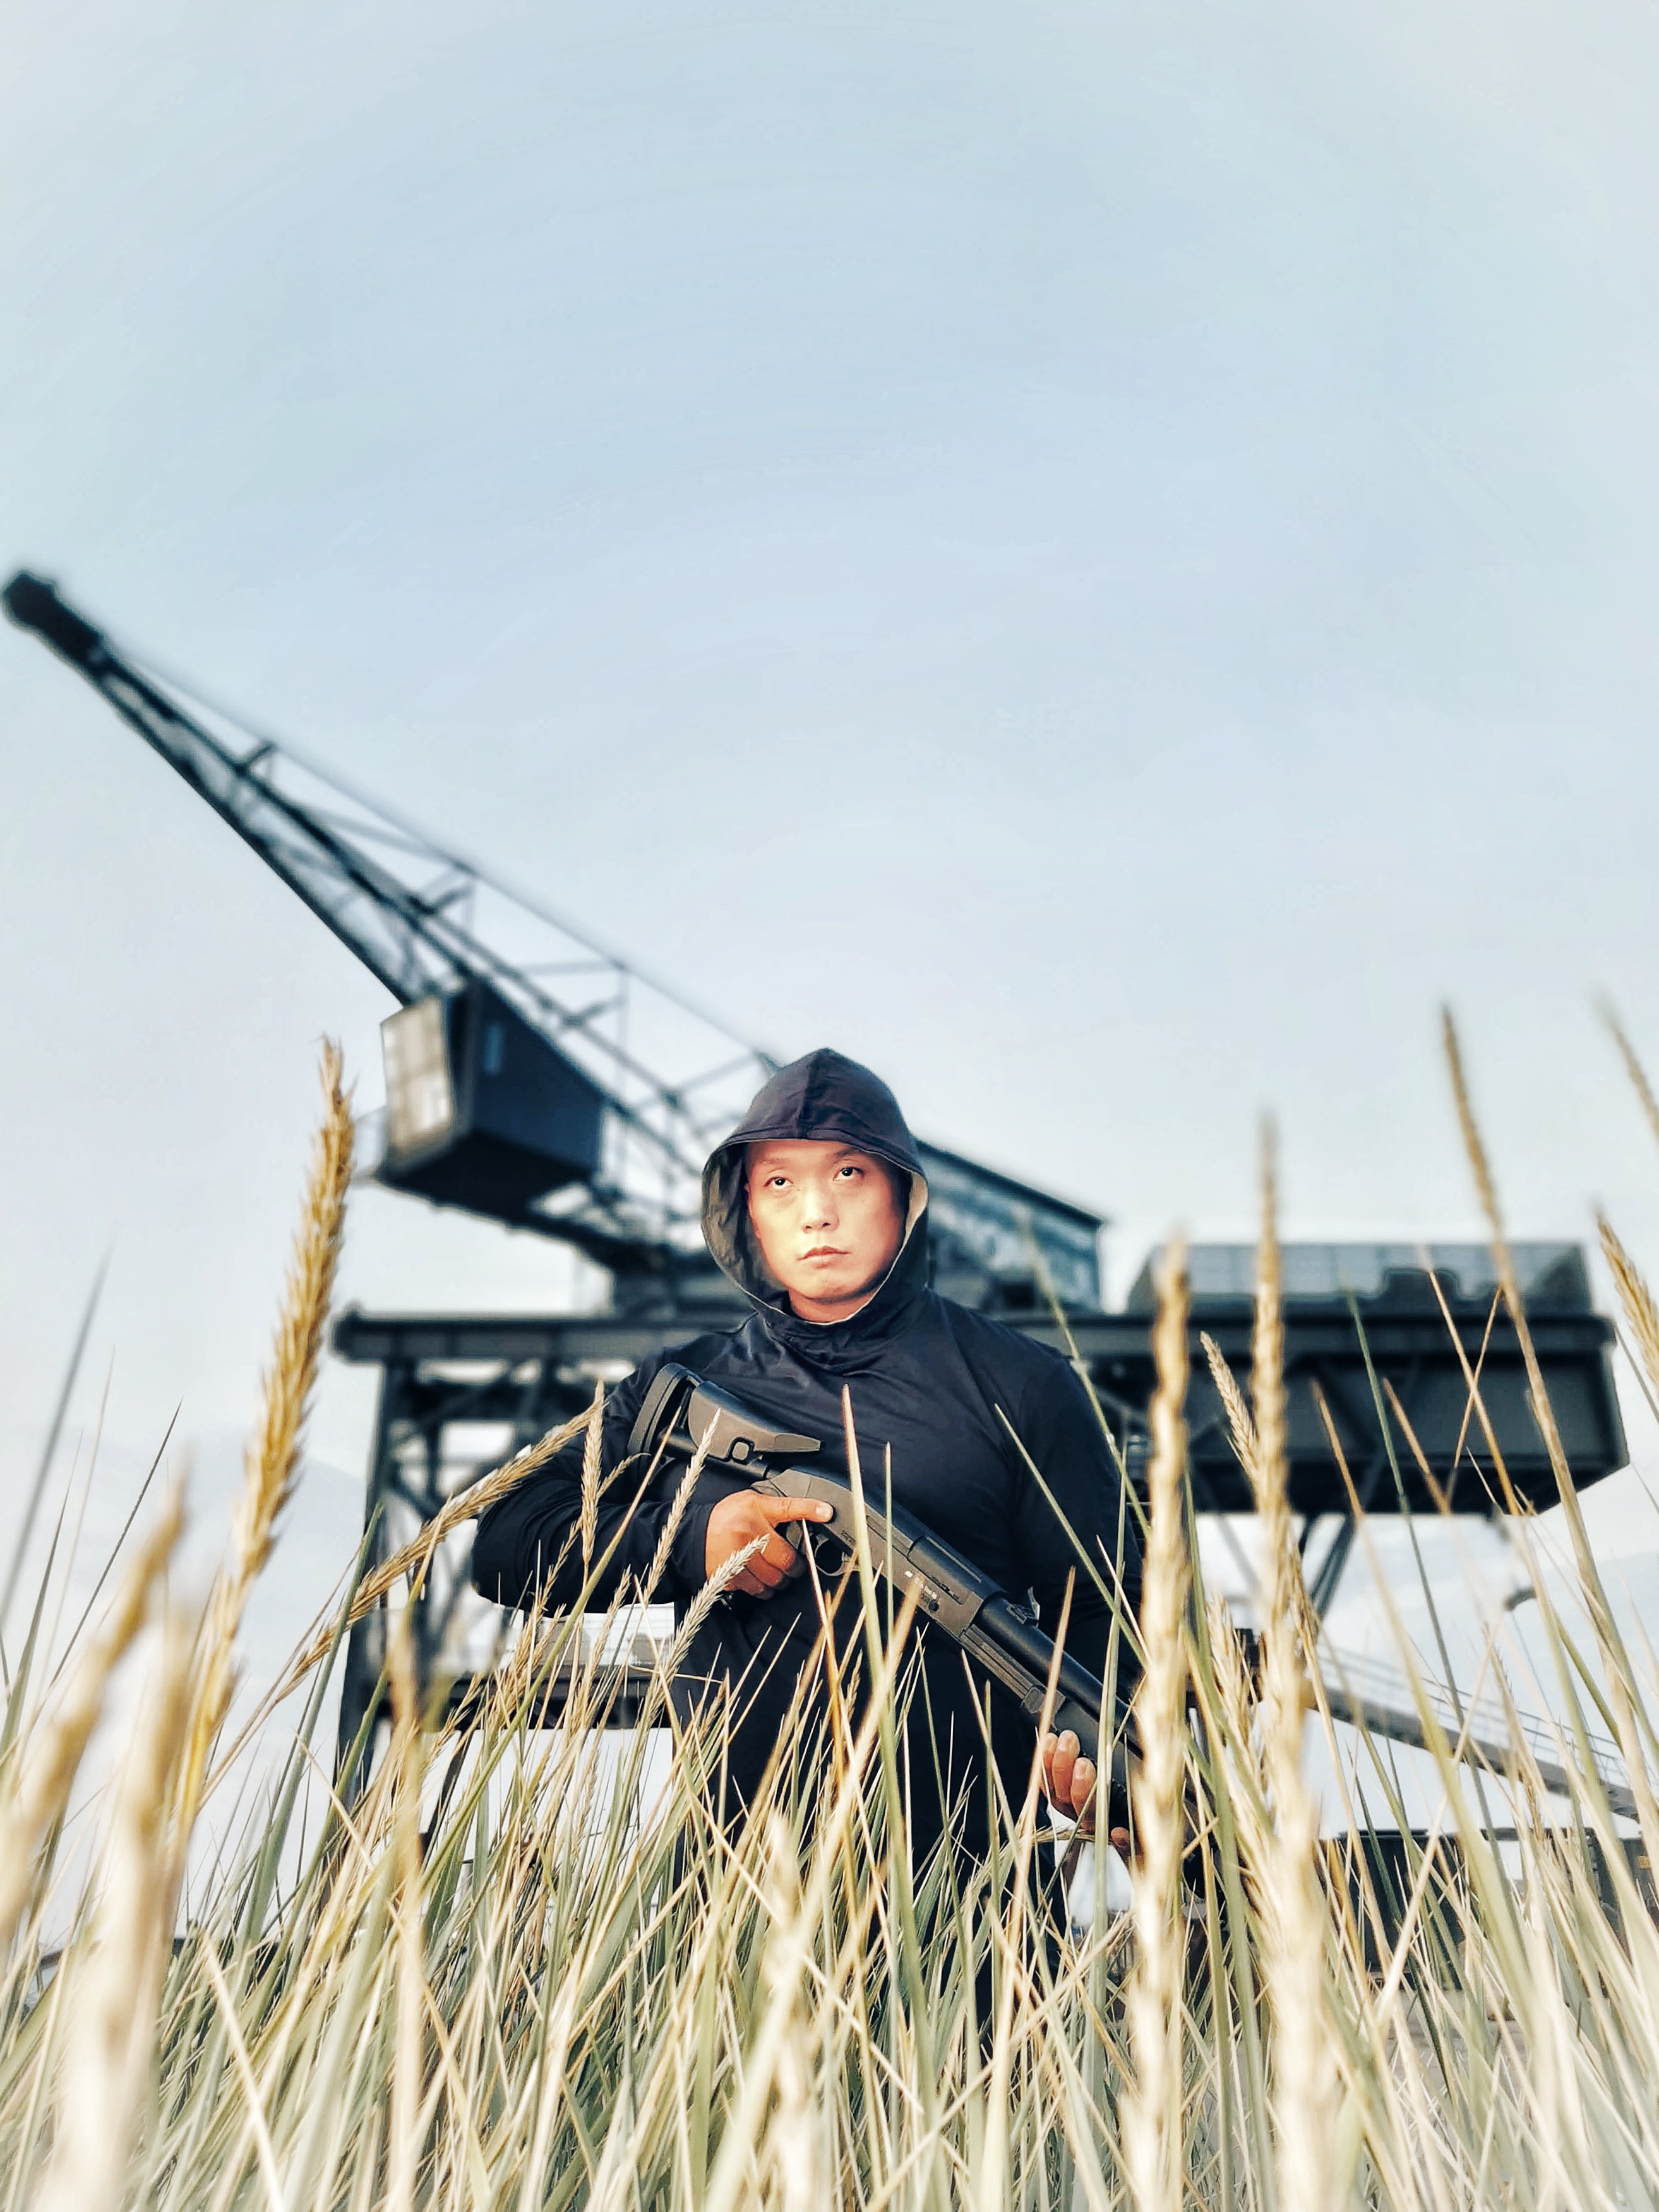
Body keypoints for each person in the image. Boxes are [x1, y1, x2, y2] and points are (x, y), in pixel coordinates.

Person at [471, 1048, 1140, 1867]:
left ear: (903, 1192)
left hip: (971, 1906)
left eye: (849, 1174)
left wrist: (1092, 1754)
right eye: (781, 1182)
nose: (817, 1212)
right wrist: (691, 1543)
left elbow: (1111, 1612)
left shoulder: (1025, 1383)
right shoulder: (681, 1388)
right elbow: (504, 1541)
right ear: (747, 1210)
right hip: (731, 1896)